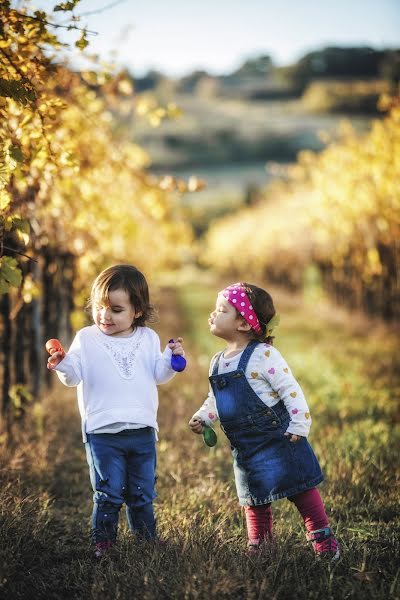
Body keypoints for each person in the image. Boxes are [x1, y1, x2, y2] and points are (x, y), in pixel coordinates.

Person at [189, 282, 340, 559]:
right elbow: (216, 399)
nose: (213, 314)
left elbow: (289, 389)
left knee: (301, 487)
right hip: (245, 446)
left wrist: (299, 423)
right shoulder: (217, 361)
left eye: (221, 310)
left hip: (277, 437)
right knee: (253, 497)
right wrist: (204, 417)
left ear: (244, 324)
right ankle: (260, 544)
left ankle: (322, 537)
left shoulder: (263, 356)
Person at [47, 264, 185, 558]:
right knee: (108, 492)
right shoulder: (87, 338)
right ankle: (104, 544)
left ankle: (146, 541)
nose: (104, 315)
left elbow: (159, 374)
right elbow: (73, 377)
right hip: (102, 431)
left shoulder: (147, 338)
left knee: (142, 492)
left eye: (116, 309)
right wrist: (61, 363)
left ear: (137, 310)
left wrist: (171, 359)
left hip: (142, 429)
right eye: (99, 307)